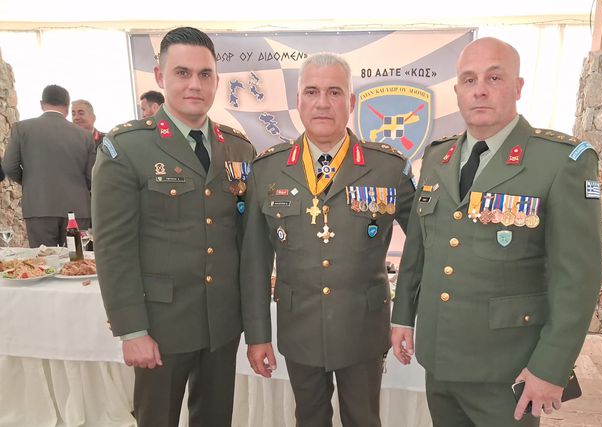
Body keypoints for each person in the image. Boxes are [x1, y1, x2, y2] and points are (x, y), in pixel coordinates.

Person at [390, 37, 602, 426]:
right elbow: (419, 249)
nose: (480, 90)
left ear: (518, 87)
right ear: (457, 90)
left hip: (508, 369)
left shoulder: (559, 162)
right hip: (440, 359)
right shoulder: (438, 156)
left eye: (494, 77)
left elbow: (577, 278)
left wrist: (552, 366)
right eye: (469, 80)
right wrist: (403, 315)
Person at [240, 52, 416, 427]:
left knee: (363, 419)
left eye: (334, 92)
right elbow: (254, 261)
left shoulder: (387, 167)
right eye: (312, 92)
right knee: (309, 419)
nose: (322, 103)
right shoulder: (268, 169)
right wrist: (257, 334)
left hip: (362, 327)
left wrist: (405, 316)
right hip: (298, 326)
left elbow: (423, 244)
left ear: (350, 102)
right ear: (298, 101)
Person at [91, 27, 255, 427]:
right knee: (157, 419)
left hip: (222, 321)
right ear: (160, 76)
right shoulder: (127, 148)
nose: (194, 84)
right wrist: (132, 330)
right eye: (182, 72)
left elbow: (245, 237)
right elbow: (113, 248)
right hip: (161, 324)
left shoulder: (238, 148)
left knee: (215, 419)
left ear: (216, 80)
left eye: (205, 74)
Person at [2, 84, 95, 247]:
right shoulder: (85, 136)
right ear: (67, 107)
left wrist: (31, 182)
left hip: (39, 206)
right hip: (77, 209)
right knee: (77, 258)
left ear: (41, 104)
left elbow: (9, 166)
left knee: (43, 258)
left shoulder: (22, 129)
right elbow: (92, 176)